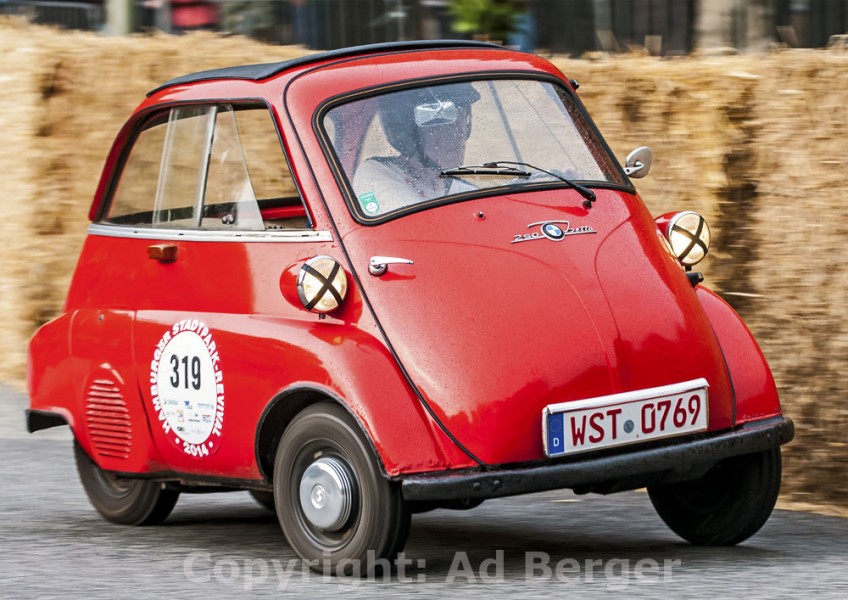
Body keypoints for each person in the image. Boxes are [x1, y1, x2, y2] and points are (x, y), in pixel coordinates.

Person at [352, 83, 481, 216]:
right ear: (407, 132)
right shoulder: (375, 175)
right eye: (444, 123)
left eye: (462, 119)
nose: (459, 134)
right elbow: (423, 226)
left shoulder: (453, 185)